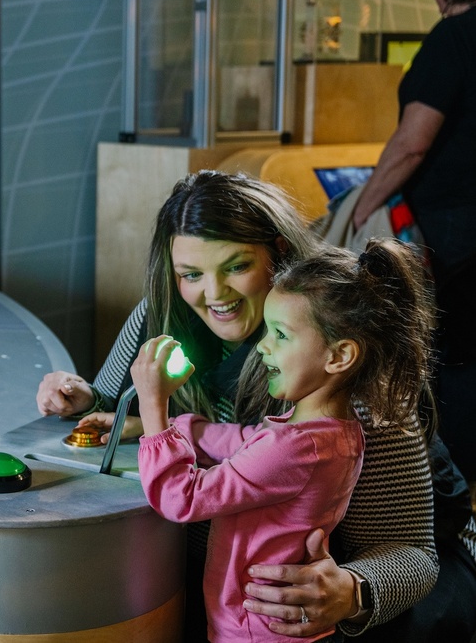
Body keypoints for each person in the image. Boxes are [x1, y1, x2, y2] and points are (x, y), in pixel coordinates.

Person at [37, 171, 476, 641]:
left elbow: (411, 553)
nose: (214, 294)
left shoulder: (343, 354)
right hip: (227, 585)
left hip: (347, 597)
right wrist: (85, 398)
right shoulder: (161, 312)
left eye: (236, 266)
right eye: (190, 274)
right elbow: (120, 407)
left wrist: (351, 590)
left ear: (279, 253)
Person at [135, 239, 433, 642]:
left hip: (251, 626)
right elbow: (250, 441)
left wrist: (154, 408)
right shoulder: (333, 434)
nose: (262, 346)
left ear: (339, 356)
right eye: (191, 273)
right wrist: (183, 428)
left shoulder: (295, 446)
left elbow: (182, 498)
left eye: (280, 334)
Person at [351, 0, 476, 481]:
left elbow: (412, 144)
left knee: (452, 358)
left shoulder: (454, 38)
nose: (440, 9)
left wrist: (362, 206)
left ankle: (445, 492)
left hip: (453, 228)